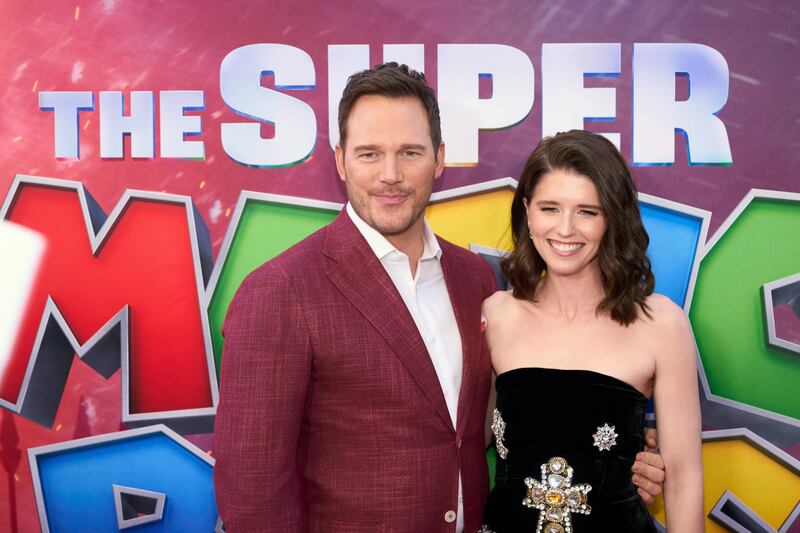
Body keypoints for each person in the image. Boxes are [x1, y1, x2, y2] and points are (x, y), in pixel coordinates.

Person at [213, 64, 666, 532]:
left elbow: (498, 425)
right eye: (370, 154)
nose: (391, 175)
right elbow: (252, 490)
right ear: (342, 161)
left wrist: (616, 457)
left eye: (410, 152)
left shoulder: (474, 280)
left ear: (439, 158)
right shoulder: (280, 290)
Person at [480, 130, 703, 532]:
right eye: (550, 208)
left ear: (612, 217)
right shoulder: (495, 315)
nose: (566, 229)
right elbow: (464, 439)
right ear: (527, 211)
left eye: (587, 211)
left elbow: (684, 480)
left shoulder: (661, 323)